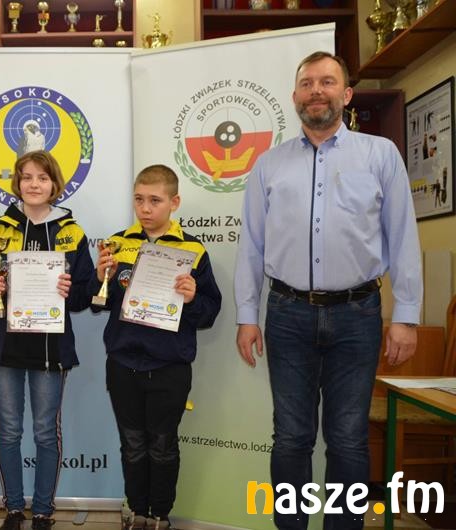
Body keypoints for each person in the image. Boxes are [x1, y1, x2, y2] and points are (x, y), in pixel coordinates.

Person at [234, 51, 422, 530]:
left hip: (358, 315)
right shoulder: (269, 165)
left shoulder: (380, 155)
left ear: (347, 94)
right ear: (295, 96)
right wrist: (247, 316)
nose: (316, 91)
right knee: (291, 438)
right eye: (307, 83)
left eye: (327, 82)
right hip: (287, 314)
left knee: (348, 439)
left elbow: (402, 236)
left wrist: (406, 315)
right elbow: (251, 245)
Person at [0, 150, 94, 530]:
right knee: (8, 430)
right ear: (17, 182)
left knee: (45, 432)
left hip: (50, 348)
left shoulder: (72, 232)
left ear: (54, 184)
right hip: (4, 346)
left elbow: (85, 294)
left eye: (42, 177)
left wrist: (70, 290)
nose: (33, 184)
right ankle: (13, 509)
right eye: (26, 177)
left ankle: (42, 511)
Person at [92, 164, 221, 530]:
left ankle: (160, 515)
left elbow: (210, 311)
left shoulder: (193, 249)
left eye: (154, 200)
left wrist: (193, 298)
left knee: (163, 445)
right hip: (123, 362)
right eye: (139, 200)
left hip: (169, 366)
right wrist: (100, 280)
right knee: (132, 443)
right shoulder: (117, 244)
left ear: (174, 202)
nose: (145, 208)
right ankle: (137, 510)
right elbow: (97, 303)